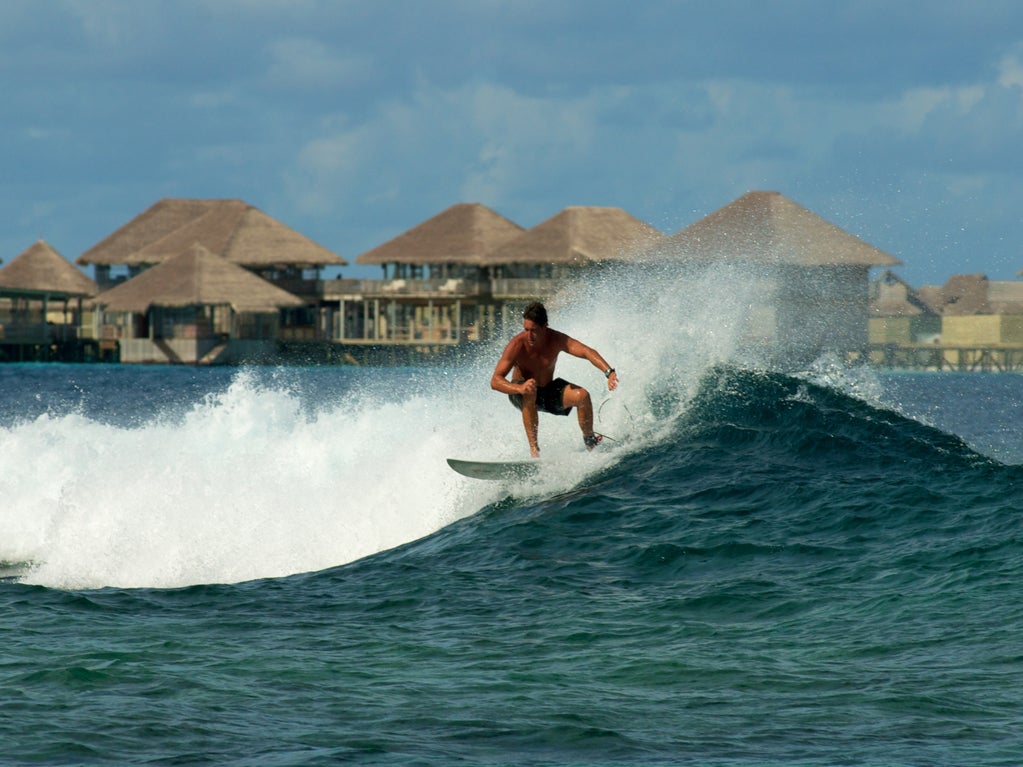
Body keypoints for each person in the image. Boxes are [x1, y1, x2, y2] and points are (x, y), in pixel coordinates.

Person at [491, 301, 619, 457]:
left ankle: (590, 441)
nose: (529, 335)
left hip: (546, 391)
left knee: (582, 396)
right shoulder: (517, 345)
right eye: (526, 330)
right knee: (530, 388)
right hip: (520, 391)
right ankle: (534, 451)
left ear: (545, 326)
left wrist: (609, 372)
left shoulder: (557, 339)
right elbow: (495, 381)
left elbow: (586, 351)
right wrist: (519, 388)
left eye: (534, 330)